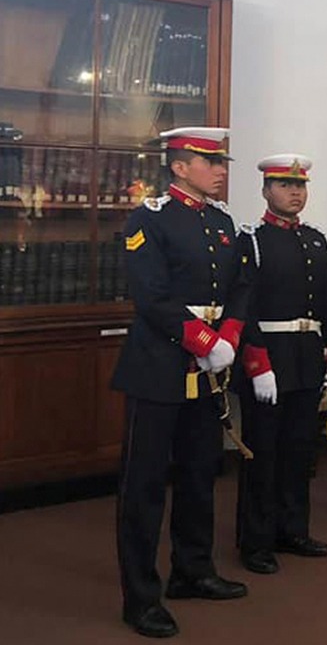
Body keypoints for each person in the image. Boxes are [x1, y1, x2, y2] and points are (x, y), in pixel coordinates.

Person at [112, 127, 250, 638]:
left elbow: (240, 285)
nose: (220, 170)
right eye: (209, 161)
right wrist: (204, 341)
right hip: (158, 368)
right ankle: (140, 597)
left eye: (222, 162)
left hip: (209, 367)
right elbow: (152, 297)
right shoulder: (150, 219)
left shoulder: (220, 221)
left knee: (198, 474)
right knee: (144, 486)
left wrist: (229, 336)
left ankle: (192, 571)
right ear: (178, 165)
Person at [234, 154, 327, 574]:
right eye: (285, 185)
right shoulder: (253, 240)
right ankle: (256, 541)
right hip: (267, 361)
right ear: (266, 190)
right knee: (262, 454)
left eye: (300, 186)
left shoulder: (315, 240)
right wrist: (256, 362)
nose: (295, 192)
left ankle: (293, 529)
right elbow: (242, 307)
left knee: (300, 452)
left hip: (305, 360)